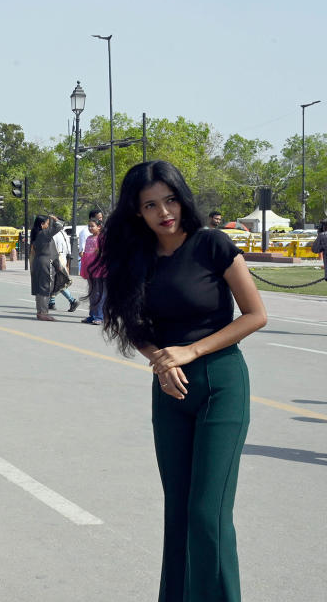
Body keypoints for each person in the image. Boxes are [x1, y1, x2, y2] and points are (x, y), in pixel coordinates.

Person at [97, 160, 266, 601]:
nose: (163, 212)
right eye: (150, 205)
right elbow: (134, 328)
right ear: (137, 212)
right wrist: (160, 361)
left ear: (182, 197)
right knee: (178, 512)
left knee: (207, 513)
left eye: (169, 199)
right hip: (169, 390)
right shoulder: (137, 260)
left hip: (220, 384)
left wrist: (190, 352)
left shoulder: (212, 245)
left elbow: (256, 315)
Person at [30, 214, 67, 321]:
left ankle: (40, 311)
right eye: (47, 223)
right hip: (46, 263)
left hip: (39, 262)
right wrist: (55, 219)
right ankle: (43, 313)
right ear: (42, 224)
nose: (48, 225)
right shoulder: (43, 234)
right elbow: (59, 226)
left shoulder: (37, 233)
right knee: (45, 288)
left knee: (41, 288)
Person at [78, 219, 104, 325]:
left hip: (99, 269)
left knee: (98, 293)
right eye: (89, 226)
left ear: (99, 227)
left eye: (92, 226)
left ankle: (99, 316)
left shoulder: (102, 238)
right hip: (89, 268)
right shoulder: (89, 238)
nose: (90, 228)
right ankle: (92, 315)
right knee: (92, 292)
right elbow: (87, 254)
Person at [49, 227, 79, 312]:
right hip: (63, 258)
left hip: (56, 259)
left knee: (59, 282)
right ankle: (51, 302)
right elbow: (69, 251)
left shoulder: (53, 234)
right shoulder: (64, 234)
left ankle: (72, 300)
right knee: (55, 281)